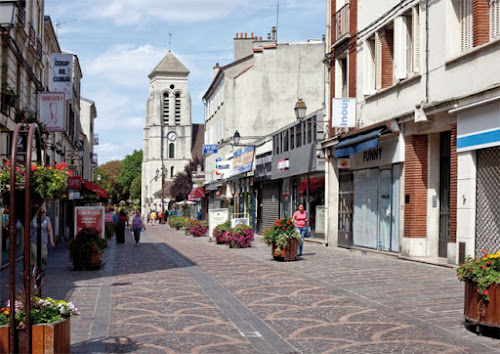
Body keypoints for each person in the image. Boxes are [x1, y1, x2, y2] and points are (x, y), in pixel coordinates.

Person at [30, 207, 55, 274]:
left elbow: (49, 230)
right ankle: (36, 269)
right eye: (41, 212)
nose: (42, 214)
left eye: (43, 212)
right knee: (36, 255)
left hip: (43, 241)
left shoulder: (47, 219)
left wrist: (51, 240)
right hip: (33, 240)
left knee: (44, 256)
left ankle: (42, 268)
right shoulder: (33, 218)